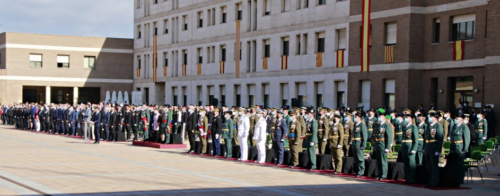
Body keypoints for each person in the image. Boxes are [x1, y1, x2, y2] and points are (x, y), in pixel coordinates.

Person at [446, 114, 470, 185]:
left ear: (461, 120)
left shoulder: (464, 127)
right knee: (453, 163)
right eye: (455, 119)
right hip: (453, 146)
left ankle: (460, 179)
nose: (455, 120)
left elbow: (467, 138)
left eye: (457, 119)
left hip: (459, 147)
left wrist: (465, 149)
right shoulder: (454, 126)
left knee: (460, 165)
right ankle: (453, 178)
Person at [424, 112, 444, 188]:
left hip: (434, 148)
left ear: (435, 118)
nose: (430, 118)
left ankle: (435, 181)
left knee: (434, 166)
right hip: (428, 147)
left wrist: (438, 150)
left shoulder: (438, 126)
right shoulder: (428, 126)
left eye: (431, 117)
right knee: (429, 166)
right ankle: (430, 181)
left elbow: (440, 139)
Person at [373, 110, 393, 180]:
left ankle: (384, 175)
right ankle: (379, 173)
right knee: (378, 161)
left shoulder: (386, 126)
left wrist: (387, 147)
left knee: (383, 161)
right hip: (378, 145)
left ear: (384, 117)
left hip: (383, 145)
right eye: (379, 116)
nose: (379, 117)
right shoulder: (378, 125)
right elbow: (375, 136)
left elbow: (389, 137)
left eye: (381, 116)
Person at [401, 114, 418, 183]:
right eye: (405, 117)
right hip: (405, 146)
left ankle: (412, 178)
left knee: (411, 163)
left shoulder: (413, 127)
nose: (406, 119)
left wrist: (414, 149)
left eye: (407, 117)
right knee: (406, 163)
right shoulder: (405, 127)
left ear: (411, 118)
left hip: (410, 146)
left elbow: (416, 139)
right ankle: (407, 177)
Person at [352, 113, 367, 177]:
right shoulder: (355, 125)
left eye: (356, 117)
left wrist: (363, 145)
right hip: (354, 143)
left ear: (359, 118)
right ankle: (358, 170)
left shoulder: (362, 125)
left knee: (360, 158)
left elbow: (364, 136)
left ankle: (361, 171)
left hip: (359, 143)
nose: (355, 118)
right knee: (356, 158)